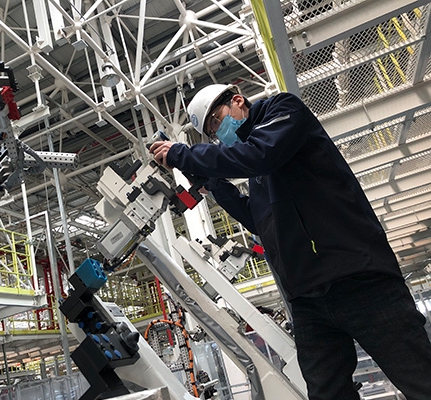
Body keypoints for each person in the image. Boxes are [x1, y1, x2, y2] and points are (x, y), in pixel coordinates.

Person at [149, 84, 431, 400]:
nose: (218, 132)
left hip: (358, 277)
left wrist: (183, 154)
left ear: (238, 100)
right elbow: (258, 220)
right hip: (308, 299)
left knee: (419, 379)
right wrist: (215, 185)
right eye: (213, 131)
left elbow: (261, 155)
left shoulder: (283, 111)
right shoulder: (258, 172)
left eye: (217, 119)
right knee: (327, 394)